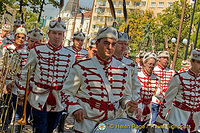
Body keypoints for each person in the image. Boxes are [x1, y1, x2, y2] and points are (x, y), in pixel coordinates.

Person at [61, 26, 138, 132]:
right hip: (87, 124)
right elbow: (66, 92)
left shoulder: (124, 69)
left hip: (113, 124)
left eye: (113, 44)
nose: (110, 47)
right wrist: (75, 108)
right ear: (97, 44)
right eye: (106, 43)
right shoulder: (81, 67)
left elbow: (126, 96)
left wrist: (128, 104)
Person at [18, 19, 75, 133]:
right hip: (39, 97)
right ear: (48, 34)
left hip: (58, 99)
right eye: (54, 33)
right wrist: (21, 93)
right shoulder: (36, 51)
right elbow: (25, 73)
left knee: (51, 128)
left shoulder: (70, 55)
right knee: (40, 128)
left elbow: (71, 80)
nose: (57, 36)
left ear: (64, 35)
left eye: (60, 34)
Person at [156, 49, 200, 133]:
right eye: (198, 62)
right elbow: (168, 99)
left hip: (195, 122)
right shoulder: (178, 78)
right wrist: (160, 118)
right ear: (192, 62)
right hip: (178, 119)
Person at [131, 52, 160, 132]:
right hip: (136, 110)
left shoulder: (156, 78)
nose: (151, 66)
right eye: (149, 64)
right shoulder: (137, 75)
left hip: (148, 111)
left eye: (153, 64)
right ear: (144, 63)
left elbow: (158, 93)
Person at [151, 51, 175, 124]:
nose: (166, 60)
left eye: (167, 58)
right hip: (154, 100)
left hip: (166, 101)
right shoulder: (153, 70)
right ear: (159, 59)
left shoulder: (171, 72)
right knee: (152, 120)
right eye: (164, 58)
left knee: (163, 123)